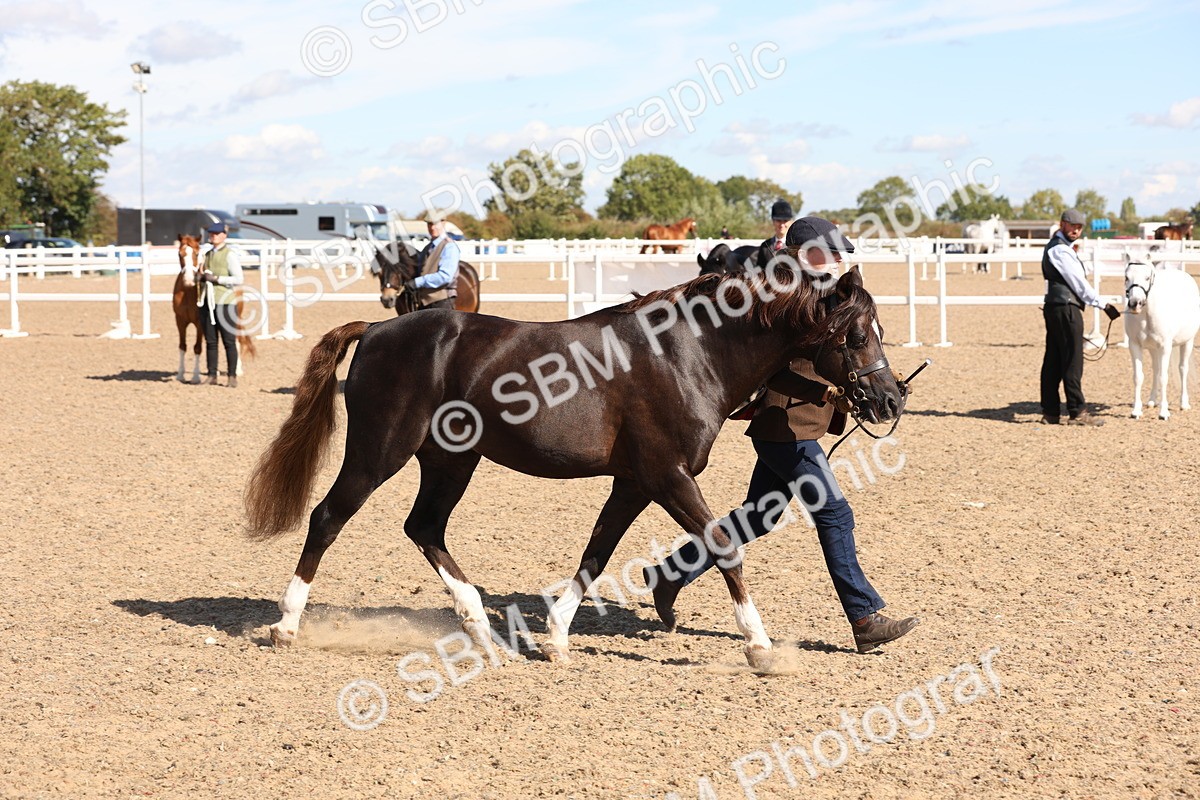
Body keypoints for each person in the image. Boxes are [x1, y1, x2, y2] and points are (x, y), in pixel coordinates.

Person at [643, 216, 920, 654]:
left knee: (760, 516)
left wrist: (878, 380)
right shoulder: (784, 298)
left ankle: (672, 572)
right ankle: (864, 617)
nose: (837, 258)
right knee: (834, 515)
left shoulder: (820, 293)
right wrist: (829, 390)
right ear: (803, 252)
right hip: (787, 426)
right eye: (829, 251)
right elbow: (777, 373)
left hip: (794, 426)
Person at [1039, 208, 1121, 426]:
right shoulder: (1061, 251)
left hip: (1057, 307)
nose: (1076, 230)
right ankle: (1077, 411)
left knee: (1054, 359)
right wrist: (1103, 304)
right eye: (1072, 225)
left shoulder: (1062, 248)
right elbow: (1079, 284)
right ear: (1062, 224)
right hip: (1066, 308)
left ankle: (1050, 412)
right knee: (1073, 360)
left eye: (1079, 227)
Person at [197, 221, 243, 387]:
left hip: (225, 302)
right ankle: (211, 374)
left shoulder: (229, 255)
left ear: (224, 235)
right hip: (208, 302)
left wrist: (217, 279)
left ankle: (231, 376)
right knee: (210, 340)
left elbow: (239, 278)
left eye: (216, 234)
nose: (213, 236)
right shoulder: (207, 255)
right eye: (211, 234)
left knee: (229, 341)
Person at [405, 213, 460, 311]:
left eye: (435, 223)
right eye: (429, 224)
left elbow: (445, 276)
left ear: (443, 223)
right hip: (424, 303)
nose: (432, 227)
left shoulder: (449, 247)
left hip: (442, 302)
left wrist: (417, 282)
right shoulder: (427, 248)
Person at [756, 199, 794, 265]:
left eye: (785, 221)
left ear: (790, 221)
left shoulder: (794, 246)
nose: (782, 225)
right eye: (779, 220)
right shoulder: (765, 246)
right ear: (773, 221)